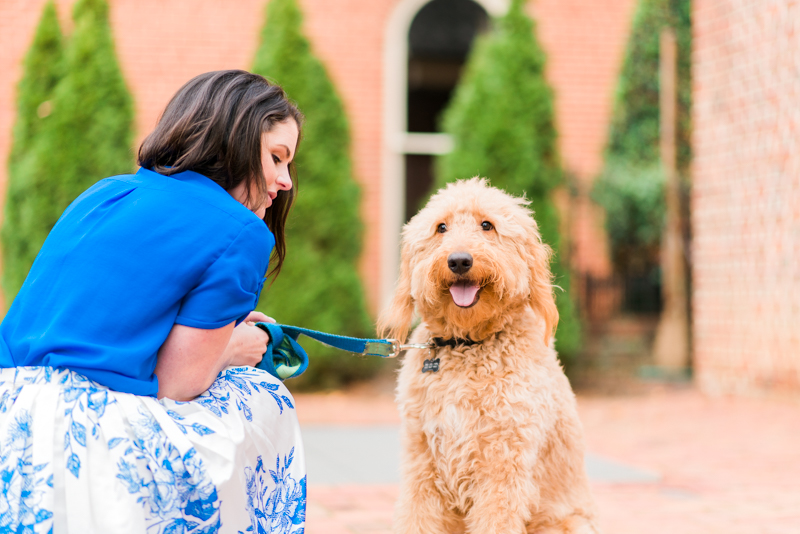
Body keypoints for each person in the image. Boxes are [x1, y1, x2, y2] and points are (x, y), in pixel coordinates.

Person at [0, 70, 306, 533]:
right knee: (264, 395)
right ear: (234, 140)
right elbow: (176, 383)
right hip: (96, 433)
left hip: (13, 415)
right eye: (276, 158)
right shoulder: (241, 230)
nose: (284, 181)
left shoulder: (105, 192)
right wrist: (237, 349)